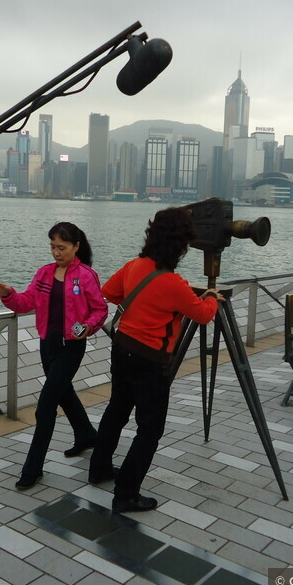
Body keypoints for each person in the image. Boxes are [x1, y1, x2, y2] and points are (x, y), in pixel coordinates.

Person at [88, 207, 223, 513]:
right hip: (150, 360)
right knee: (149, 429)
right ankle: (126, 495)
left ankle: (99, 469)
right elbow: (203, 315)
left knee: (116, 411)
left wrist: (141, 305)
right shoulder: (175, 284)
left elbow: (109, 293)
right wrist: (212, 295)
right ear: (181, 245)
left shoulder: (134, 265)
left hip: (122, 348)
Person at [0, 222, 107, 490]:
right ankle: (87, 435)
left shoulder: (86, 275)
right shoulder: (44, 273)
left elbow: (100, 310)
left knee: (45, 408)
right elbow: (26, 302)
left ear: (76, 247)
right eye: (53, 246)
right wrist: (8, 294)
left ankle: (33, 468)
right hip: (47, 345)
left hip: (71, 347)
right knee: (64, 392)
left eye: (62, 247)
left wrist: (88, 326)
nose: (56, 252)